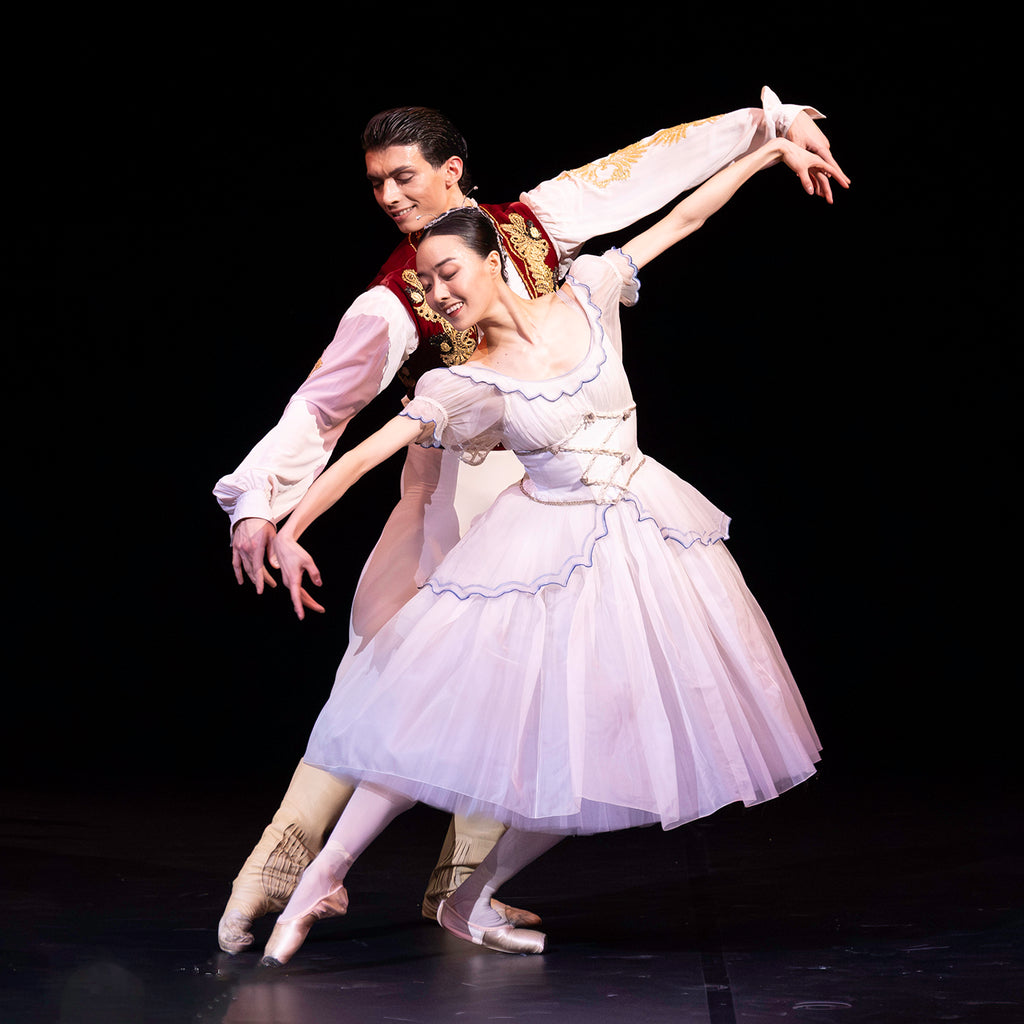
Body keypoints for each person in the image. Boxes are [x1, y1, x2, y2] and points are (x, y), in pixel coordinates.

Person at [213, 90, 848, 954]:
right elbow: (326, 407)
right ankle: (279, 867)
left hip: (565, 478)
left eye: (404, 178)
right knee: (404, 678)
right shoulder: (393, 299)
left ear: (452, 172)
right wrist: (263, 504)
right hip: (465, 487)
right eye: (377, 184)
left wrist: (765, 128)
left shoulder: (539, 226)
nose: (390, 197)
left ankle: (460, 887)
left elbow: (647, 174)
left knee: (537, 696)